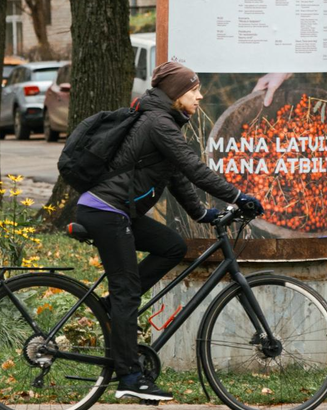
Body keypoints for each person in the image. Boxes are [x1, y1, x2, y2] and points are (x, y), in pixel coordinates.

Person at [75, 61, 264, 401]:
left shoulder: (163, 121)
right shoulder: (158, 122)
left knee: (173, 246)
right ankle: (131, 378)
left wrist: (203, 212)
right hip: (107, 211)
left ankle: (110, 306)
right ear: (177, 94)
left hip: (117, 211)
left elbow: (177, 174)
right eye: (194, 90)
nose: (200, 96)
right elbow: (193, 167)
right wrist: (238, 196)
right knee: (128, 291)